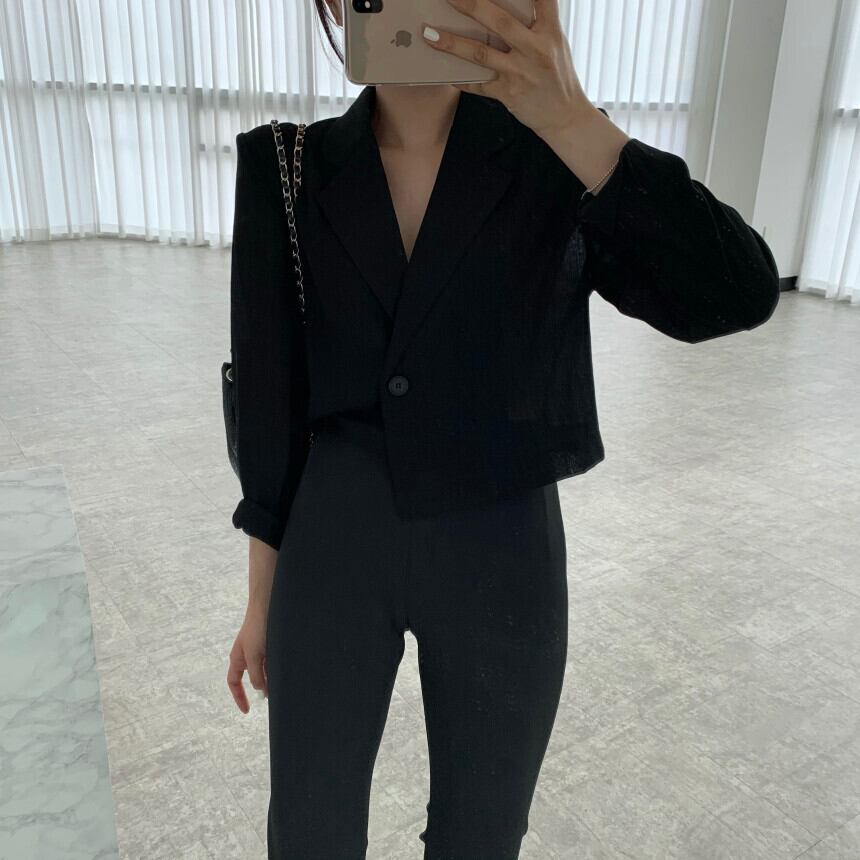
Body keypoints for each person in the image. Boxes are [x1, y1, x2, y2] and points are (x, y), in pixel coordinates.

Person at [225, 1, 781, 857]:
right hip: (334, 535)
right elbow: (270, 397)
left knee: (482, 834)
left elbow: (737, 292)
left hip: (503, 543)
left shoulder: (555, 154)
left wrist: (574, 119)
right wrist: (262, 596)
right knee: (308, 831)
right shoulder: (286, 165)